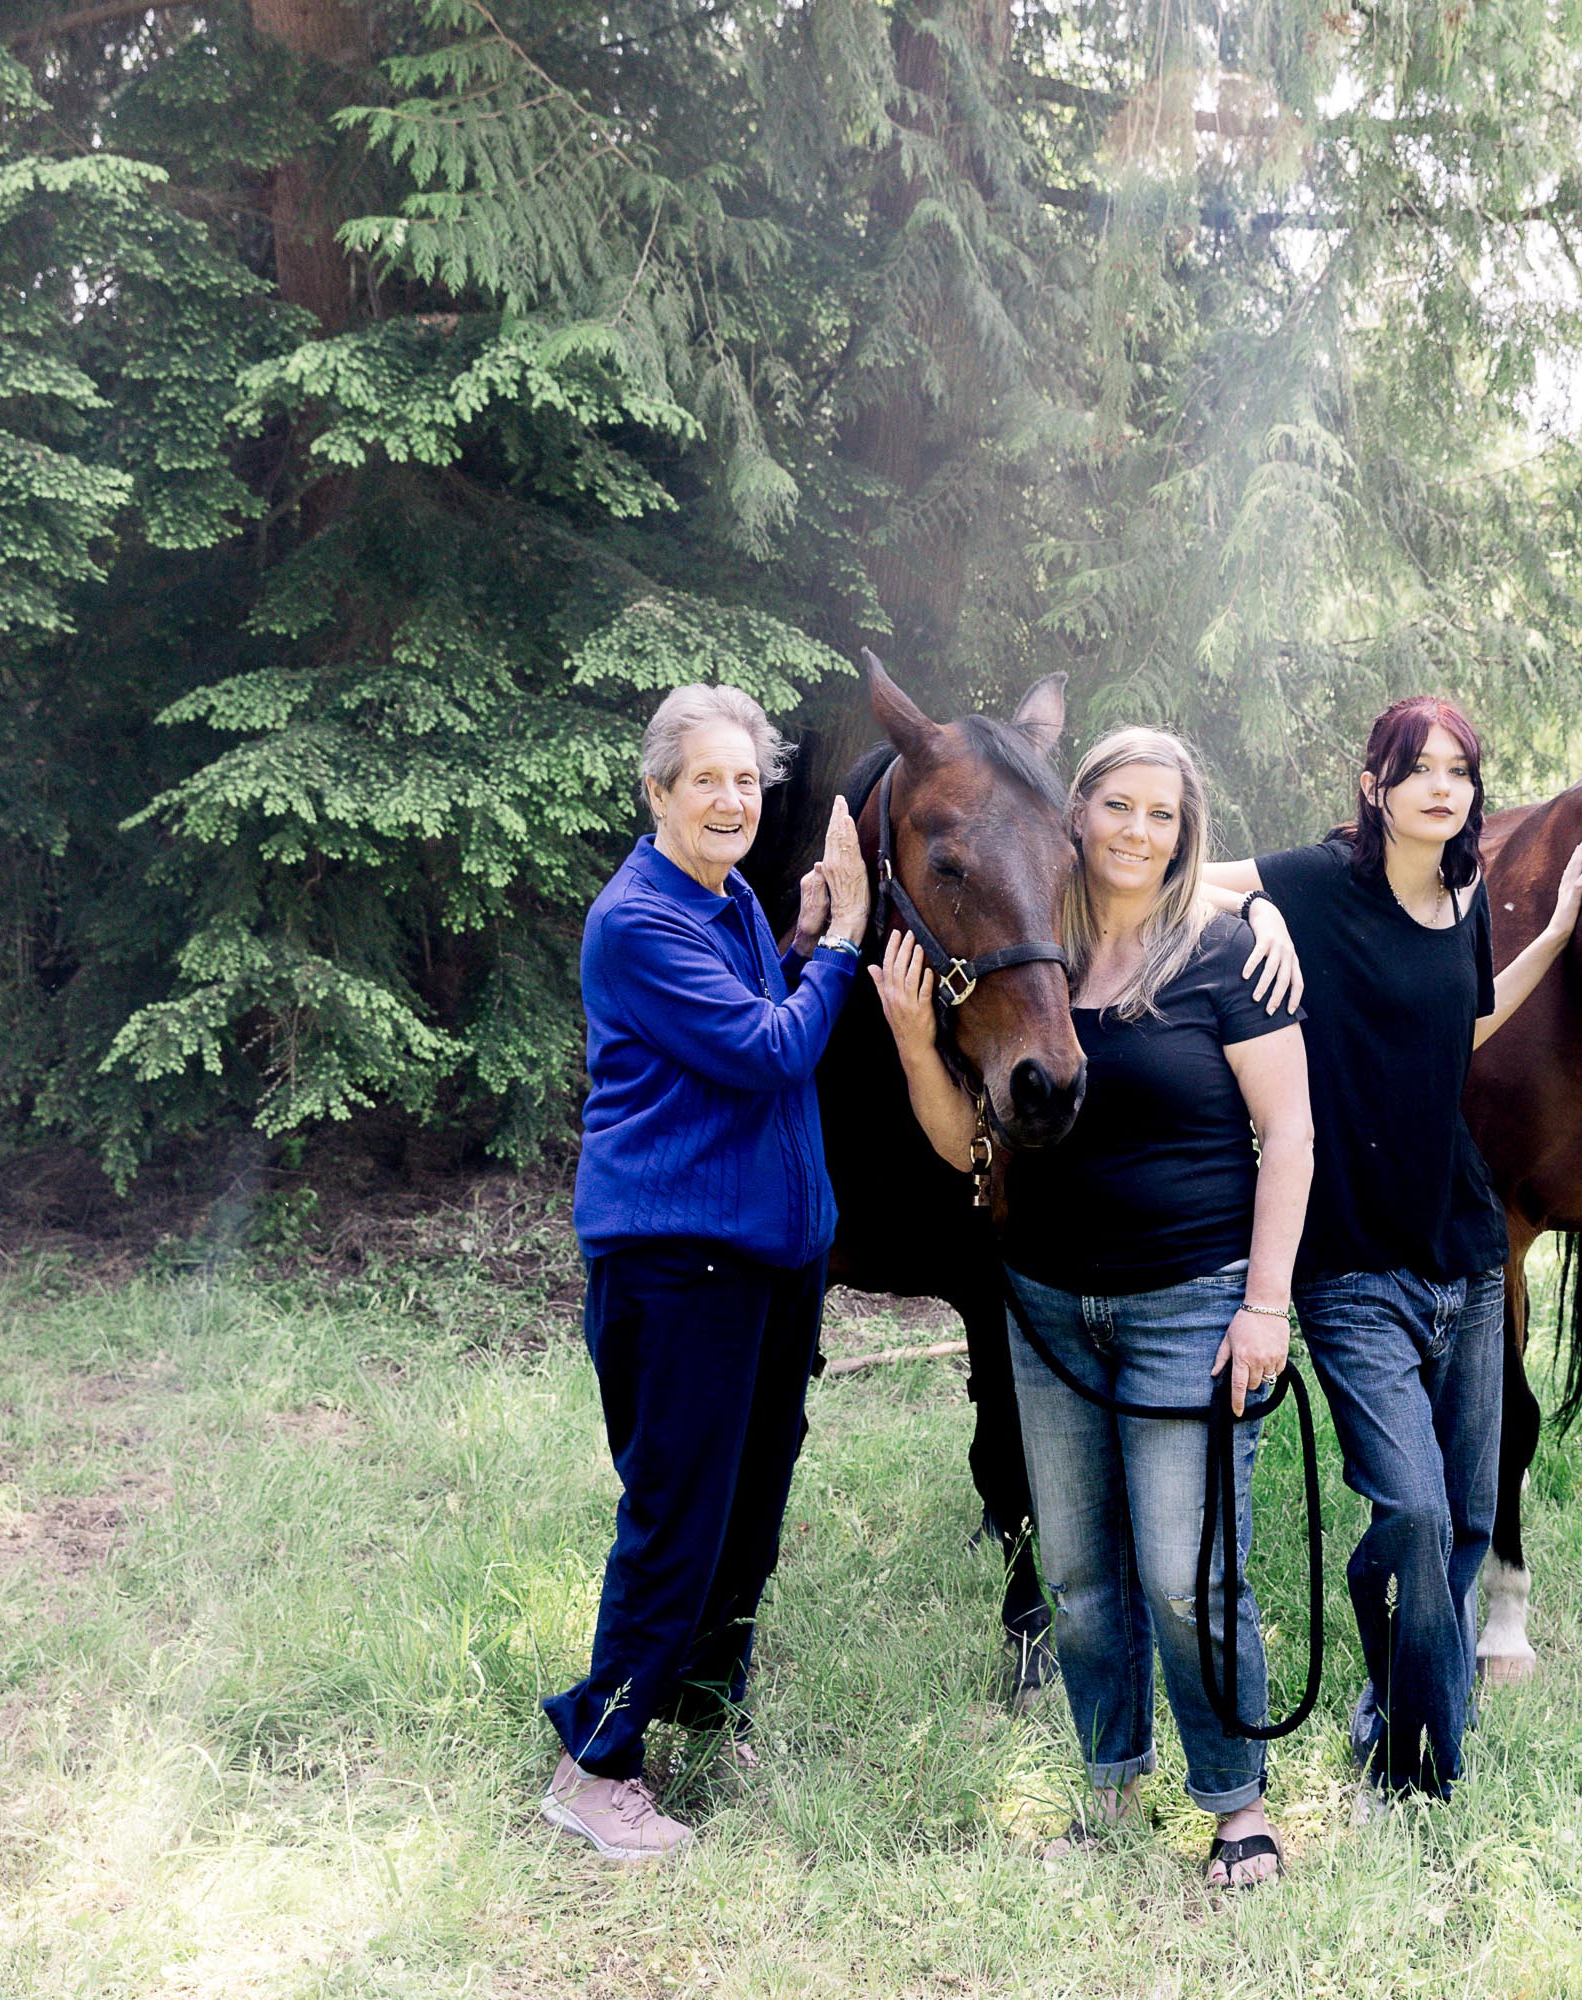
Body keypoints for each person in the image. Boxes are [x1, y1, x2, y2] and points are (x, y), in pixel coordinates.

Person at [875, 727, 1311, 1888]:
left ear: (1187, 830)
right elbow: (967, 1141)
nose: (1135, 830)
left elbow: (1293, 1134)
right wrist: (919, 1043)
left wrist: (1266, 1301)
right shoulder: (1038, 953)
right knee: (1077, 1575)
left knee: (1188, 1570)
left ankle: (1237, 1806)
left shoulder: (1223, 952)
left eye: (1160, 813)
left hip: (1193, 1301)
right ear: (1074, 817)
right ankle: (1111, 1783)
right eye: (1115, 805)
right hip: (1048, 1305)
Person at [1201, 697, 1582, 1807]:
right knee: (1412, 1513)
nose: (1439, 786)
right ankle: (1423, 1766)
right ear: (1373, 784)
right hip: (1349, 1256)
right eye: (1414, 768)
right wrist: (1256, 920)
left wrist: (1554, 935)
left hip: (1464, 1248)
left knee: (1464, 1523)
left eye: (1458, 770)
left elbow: (1462, 1023)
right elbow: (1173, 876)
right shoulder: (1316, 881)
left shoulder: (1467, 896)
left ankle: (1395, 1734)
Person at [540, 682, 871, 1863]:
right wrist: (840, 943)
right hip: (682, 1266)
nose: (733, 799)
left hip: (767, 1260)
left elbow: (753, 1000)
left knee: (749, 1505)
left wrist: (793, 935)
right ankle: (598, 1765)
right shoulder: (640, 918)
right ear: (658, 793)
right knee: (679, 1514)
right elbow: (768, 1045)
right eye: (707, 780)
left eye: (747, 779)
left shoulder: (720, 900)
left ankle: (697, 1705)